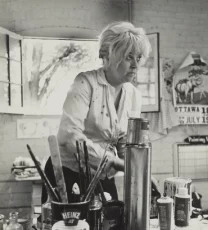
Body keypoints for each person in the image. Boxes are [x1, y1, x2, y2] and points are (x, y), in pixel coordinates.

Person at [42, 21, 151, 203]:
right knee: (72, 228)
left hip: (102, 175)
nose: (135, 65)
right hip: (67, 173)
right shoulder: (85, 83)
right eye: (128, 57)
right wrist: (115, 162)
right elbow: (69, 136)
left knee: (110, 224)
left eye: (139, 58)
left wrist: (141, 173)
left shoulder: (134, 95)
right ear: (107, 56)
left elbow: (126, 143)